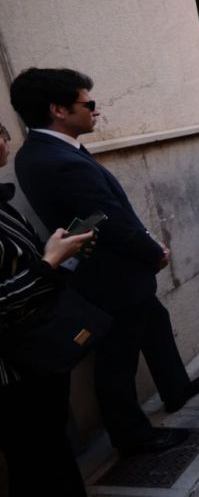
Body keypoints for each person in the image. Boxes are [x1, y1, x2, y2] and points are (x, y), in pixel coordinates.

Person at [11, 68, 199, 455]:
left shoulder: (47, 149)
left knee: (154, 320)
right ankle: (133, 436)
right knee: (117, 359)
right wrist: (153, 251)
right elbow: (110, 221)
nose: (96, 112)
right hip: (110, 276)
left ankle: (175, 387)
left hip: (115, 271)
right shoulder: (57, 159)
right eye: (89, 104)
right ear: (58, 110)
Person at [0, 121, 95, 496]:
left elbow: (25, 262)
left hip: (38, 352)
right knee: (34, 459)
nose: (6, 139)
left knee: (52, 451)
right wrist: (48, 263)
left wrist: (62, 252)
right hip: (11, 371)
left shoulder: (4, 205)